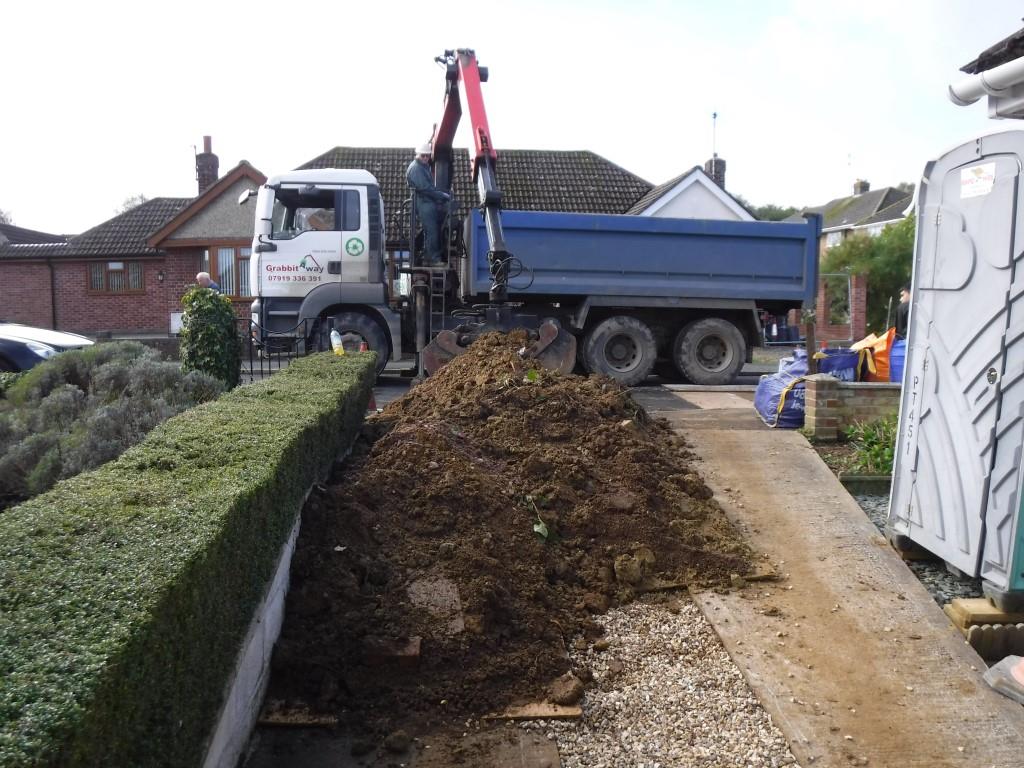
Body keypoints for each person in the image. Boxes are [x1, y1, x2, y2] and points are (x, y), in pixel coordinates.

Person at [406, 143, 451, 265]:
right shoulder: (416, 169)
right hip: (423, 202)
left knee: (430, 230)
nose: (425, 158)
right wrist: (443, 196)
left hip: (427, 201)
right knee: (432, 230)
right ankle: (433, 258)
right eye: (423, 156)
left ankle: (427, 257)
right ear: (418, 155)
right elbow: (426, 189)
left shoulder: (423, 167)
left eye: (427, 156)